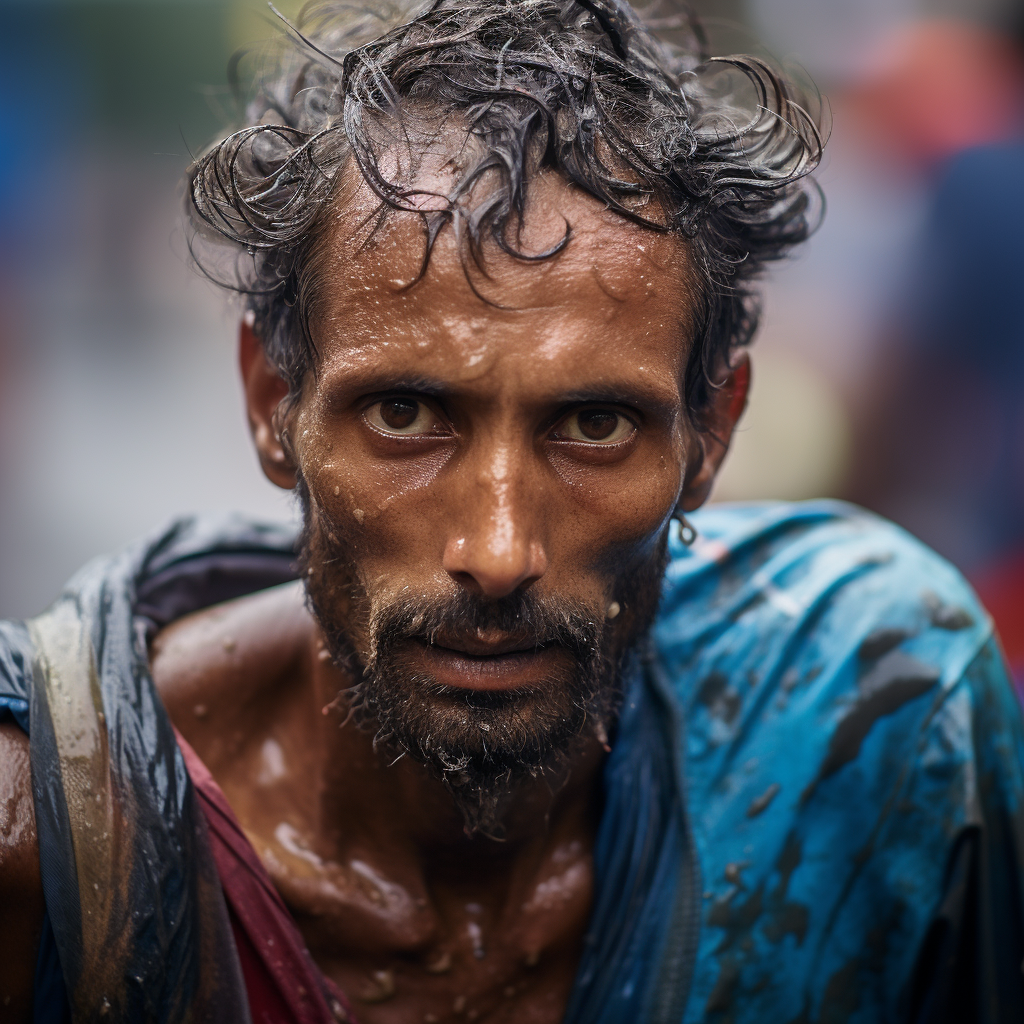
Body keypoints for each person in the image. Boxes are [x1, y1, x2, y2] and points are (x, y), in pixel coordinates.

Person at [1, 1, 1022, 1022]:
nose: (497, 551)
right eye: (404, 414)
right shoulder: (39, 845)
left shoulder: (878, 728)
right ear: (275, 406)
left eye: (595, 426)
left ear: (711, 432)